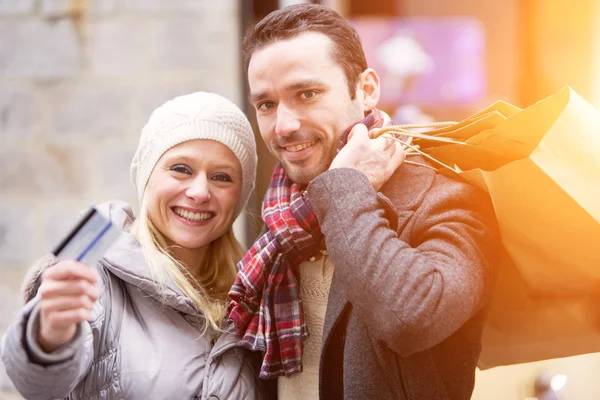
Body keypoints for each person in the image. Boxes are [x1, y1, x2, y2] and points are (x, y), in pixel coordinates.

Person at [228, 4, 499, 400]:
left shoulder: (448, 198)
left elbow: (411, 318)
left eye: (307, 93)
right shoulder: (281, 226)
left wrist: (345, 188)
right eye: (266, 104)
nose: (283, 126)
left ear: (367, 90)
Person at [1, 92, 265, 399]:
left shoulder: (253, 295)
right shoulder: (95, 273)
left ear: (239, 197)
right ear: (147, 176)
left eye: (221, 177)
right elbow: (37, 383)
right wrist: (49, 333)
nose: (199, 191)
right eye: (181, 169)